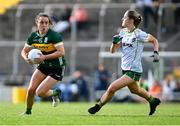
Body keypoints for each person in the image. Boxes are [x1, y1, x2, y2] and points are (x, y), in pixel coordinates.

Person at [88, 10, 161, 116]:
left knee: (112, 87)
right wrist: (113, 43)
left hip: (134, 69)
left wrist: (156, 53)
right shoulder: (123, 32)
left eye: (124, 17)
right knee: (135, 90)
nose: (122, 19)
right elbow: (112, 51)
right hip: (125, 68)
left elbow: (154, 40)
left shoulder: (139, 34)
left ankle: (97, 106)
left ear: (131, 20)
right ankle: (153, 101)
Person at [21, 12, 66, 115]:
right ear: (37, 23)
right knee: (31, 89)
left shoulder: (54, 36)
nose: (44, 25)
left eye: (46, 23)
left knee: (39, 93)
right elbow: (24, 50)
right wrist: (26, 58)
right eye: (41, 22)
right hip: (44, 65)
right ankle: (28, 112)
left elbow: (61, 52)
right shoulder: (33, 36)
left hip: (57, 67)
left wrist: (45, 57)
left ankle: (55, 92)